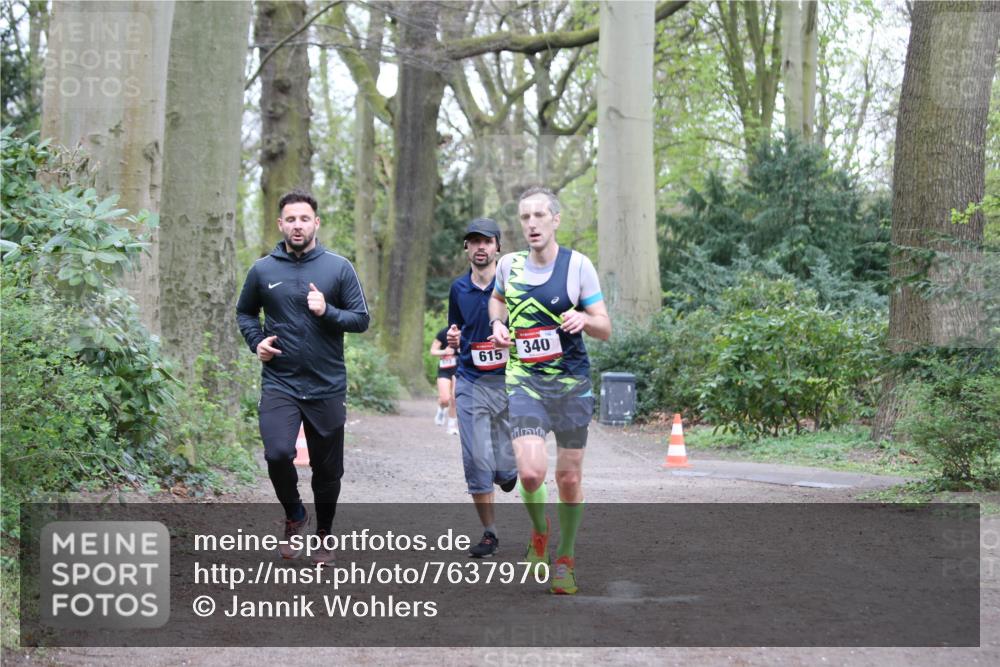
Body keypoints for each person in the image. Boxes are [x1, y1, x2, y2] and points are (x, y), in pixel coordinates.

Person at [236, 190, 369, 566]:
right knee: (277, 452)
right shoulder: (263, 269)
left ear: (316, 223)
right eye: (290, 219)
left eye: (304, 218)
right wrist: (257, 342)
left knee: (327, 471)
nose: (297, 225)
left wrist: (328, 311)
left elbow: (360, 319)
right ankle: (294, 513)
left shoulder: (338, 268)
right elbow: (245, 313)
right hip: (281, 381)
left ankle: (324, 534)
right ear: (281, 224)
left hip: (326, 384)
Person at [488, 187, 611, 594]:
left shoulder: (578, 266)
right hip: (525, 381)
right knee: (530, 472)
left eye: (540, 215)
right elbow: (497, 301)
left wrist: (583, 319)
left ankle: (566, 557)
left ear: (555, 220)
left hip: (572, 386)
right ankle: (540, 533)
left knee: (569, 477)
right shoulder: (509, 265)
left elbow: (605, 327)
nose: (532, 224)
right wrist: (498, 325)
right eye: (525, 217)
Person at [446, 218, 518, 558]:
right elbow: (453, 328)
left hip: (508, 381)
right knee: (476, 458)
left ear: (497, 248)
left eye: (486, 241)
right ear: (466, 248)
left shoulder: (515, 289)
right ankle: (489, 533)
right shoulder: (458, 289)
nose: (480, 247)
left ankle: (507, 472)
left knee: (504, 465)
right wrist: (453, 337)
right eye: (473, 241)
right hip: (471, 380)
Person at [429, 326, 458, 434]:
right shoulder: (443, 332)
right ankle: (441, 409)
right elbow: (433, 351)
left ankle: (452, 425)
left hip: (459, 369)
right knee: (445, 398)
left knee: (455, 397)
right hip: (445, 369)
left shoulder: (467, 330)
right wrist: (444, 351)